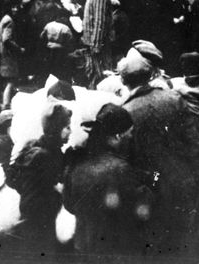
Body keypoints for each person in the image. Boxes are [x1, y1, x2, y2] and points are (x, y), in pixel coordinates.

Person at [119, 42, 199, 256]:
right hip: (183, 179)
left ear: (124, 81)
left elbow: (128, 158)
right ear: (150, 74)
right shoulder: (173, 98)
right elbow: (194, 142)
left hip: (153, 188)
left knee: (158, 244)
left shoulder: (126, 111)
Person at [63, 103, 150, 261]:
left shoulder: (76, 162)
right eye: (129, 133)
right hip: (115, 252)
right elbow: (140, 211)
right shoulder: (120, 168)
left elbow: (69, 204)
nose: (131, 137)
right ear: (117, 136)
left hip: (83, 248)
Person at [5, 103, 72, 258]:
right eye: (67, 127)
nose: (70, 131)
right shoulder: (45, 156)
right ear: (56, 128)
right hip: (40, 225)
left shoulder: (37, 147)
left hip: (33, 222)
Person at [79, 0, 113, 88]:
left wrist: (96, 45)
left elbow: (100, 22)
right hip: (93, 43)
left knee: (100, 75)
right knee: (95, 74)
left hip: (97, 45)